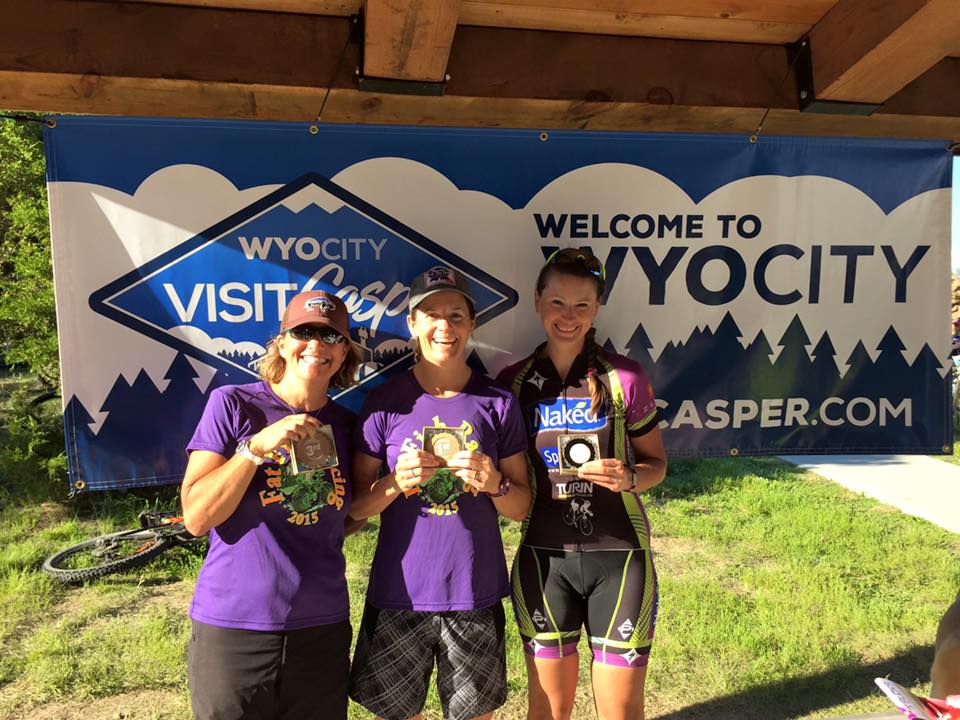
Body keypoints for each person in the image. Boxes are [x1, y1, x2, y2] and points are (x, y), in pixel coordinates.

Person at [348, 265, 531, 720]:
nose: (443, 327)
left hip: (474, 590)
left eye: (455, 315)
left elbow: (522, 507)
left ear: (471, 325)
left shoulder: (498, 402)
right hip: (399, 591)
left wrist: (495, 483)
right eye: (430, 314)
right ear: (412, 324)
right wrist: (395, 483)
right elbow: (355, 509)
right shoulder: (384, 402)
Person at [497, 248, 667, 720]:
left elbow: (657, 465)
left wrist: (630, 476)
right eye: (557, 303)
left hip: (621, 559)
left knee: (621, 711)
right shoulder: (512, 382)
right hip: (543, 561)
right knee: (548, 711)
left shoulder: (625, 377)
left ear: (597, 309)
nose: (567, 317)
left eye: (581, 306)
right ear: (536, 301)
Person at [181, 290, 360, 720]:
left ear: (344, 353)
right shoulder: (234, 404)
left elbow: (345, 517)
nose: (316, 344)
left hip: (321, 626)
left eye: (330, 335)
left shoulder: (350, 426)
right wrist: (254, 449)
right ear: (281, 342)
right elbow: (197, 517)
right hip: (236, 625)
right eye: (303, 332)